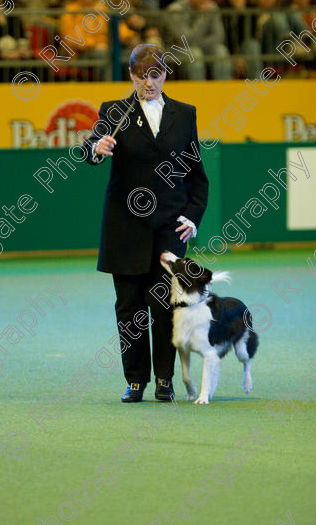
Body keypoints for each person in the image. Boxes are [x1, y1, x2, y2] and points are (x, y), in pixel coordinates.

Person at [81, 44, 209, 402]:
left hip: (169, 226)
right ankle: (135, 380)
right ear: (131, 76)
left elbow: (197, 176)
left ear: (165, 75)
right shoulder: (115, 111)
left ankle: (165, 380)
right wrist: (95, 148)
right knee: (129, 304)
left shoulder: (185, 114)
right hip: (125, 225)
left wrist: (193, 217)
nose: (149, 82)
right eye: (141, 76)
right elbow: (89, 149)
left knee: (166, 304)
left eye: (155, 75)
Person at [166, 0, 231, 80]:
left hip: (201, 47)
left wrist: (198, 43)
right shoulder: (176, 10)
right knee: (195, 54)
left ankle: (224, 93)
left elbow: (219, 37)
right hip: (174, 50)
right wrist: (203, 17)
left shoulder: (212, 7)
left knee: (221, 51)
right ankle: (199, 93)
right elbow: (186, 39)